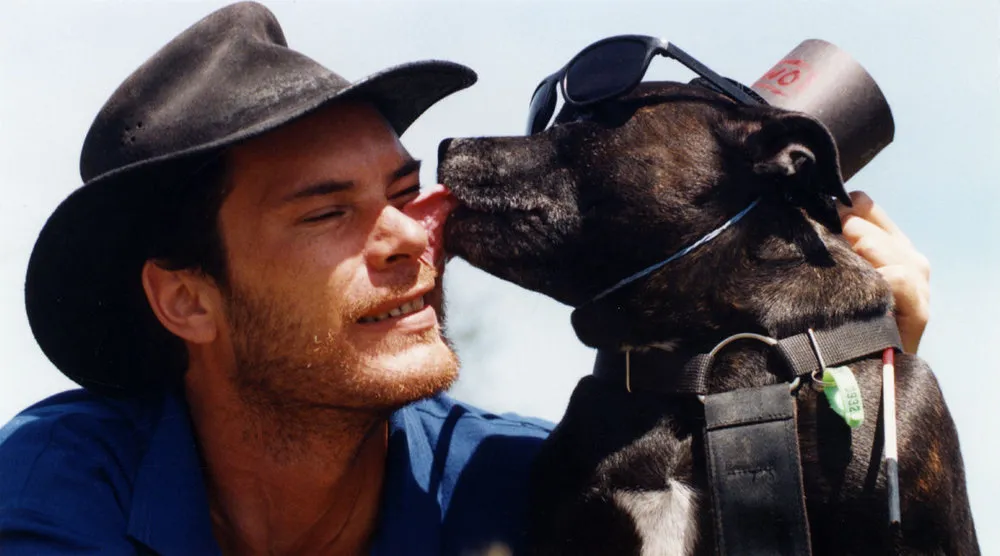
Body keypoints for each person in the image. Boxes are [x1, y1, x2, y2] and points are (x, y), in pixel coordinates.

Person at [0, 3, 931, 555]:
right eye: (328, 213)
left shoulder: (523, 480)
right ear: (185, 299)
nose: (412, 237)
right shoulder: (65, 481)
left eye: (405, 193)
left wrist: (863, 377)